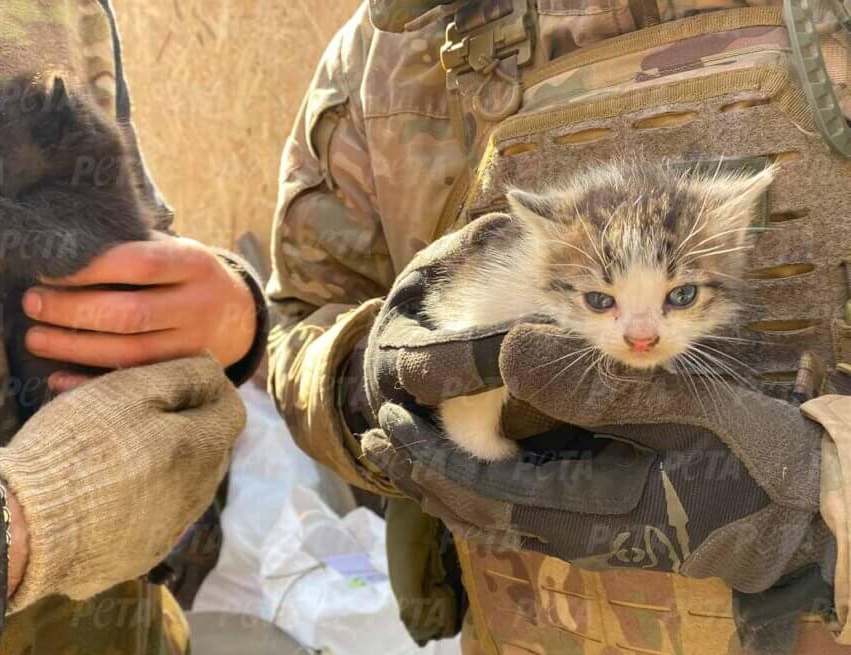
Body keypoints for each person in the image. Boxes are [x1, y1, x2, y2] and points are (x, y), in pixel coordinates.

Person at [267, 0, 851, 653]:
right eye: (601, 302)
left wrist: (825, 489)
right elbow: (295, 321)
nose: (640, 339)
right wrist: (364, 387)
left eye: (681, 296)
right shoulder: (388, 47)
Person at [0, 1, 267, 653]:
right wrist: (16, 523)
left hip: (124, 613)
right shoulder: (50, 161)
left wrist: (236, 314)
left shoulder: (79, 144)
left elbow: (69, 247)